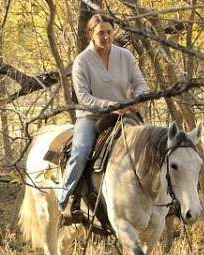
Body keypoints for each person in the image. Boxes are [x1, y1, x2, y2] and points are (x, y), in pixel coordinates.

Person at [58, 14, 150, 213]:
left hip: (124, 115)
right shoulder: (82, 61)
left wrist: (140, 98)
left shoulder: (125, 56)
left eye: (109, 32)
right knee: (81, 153)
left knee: (150, 144)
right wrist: (113, 106)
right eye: (100, 33)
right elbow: (83, 97)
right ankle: (64, 201)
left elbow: (140, 83)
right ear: (91, 34)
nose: (106, 37)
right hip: (90, 116)